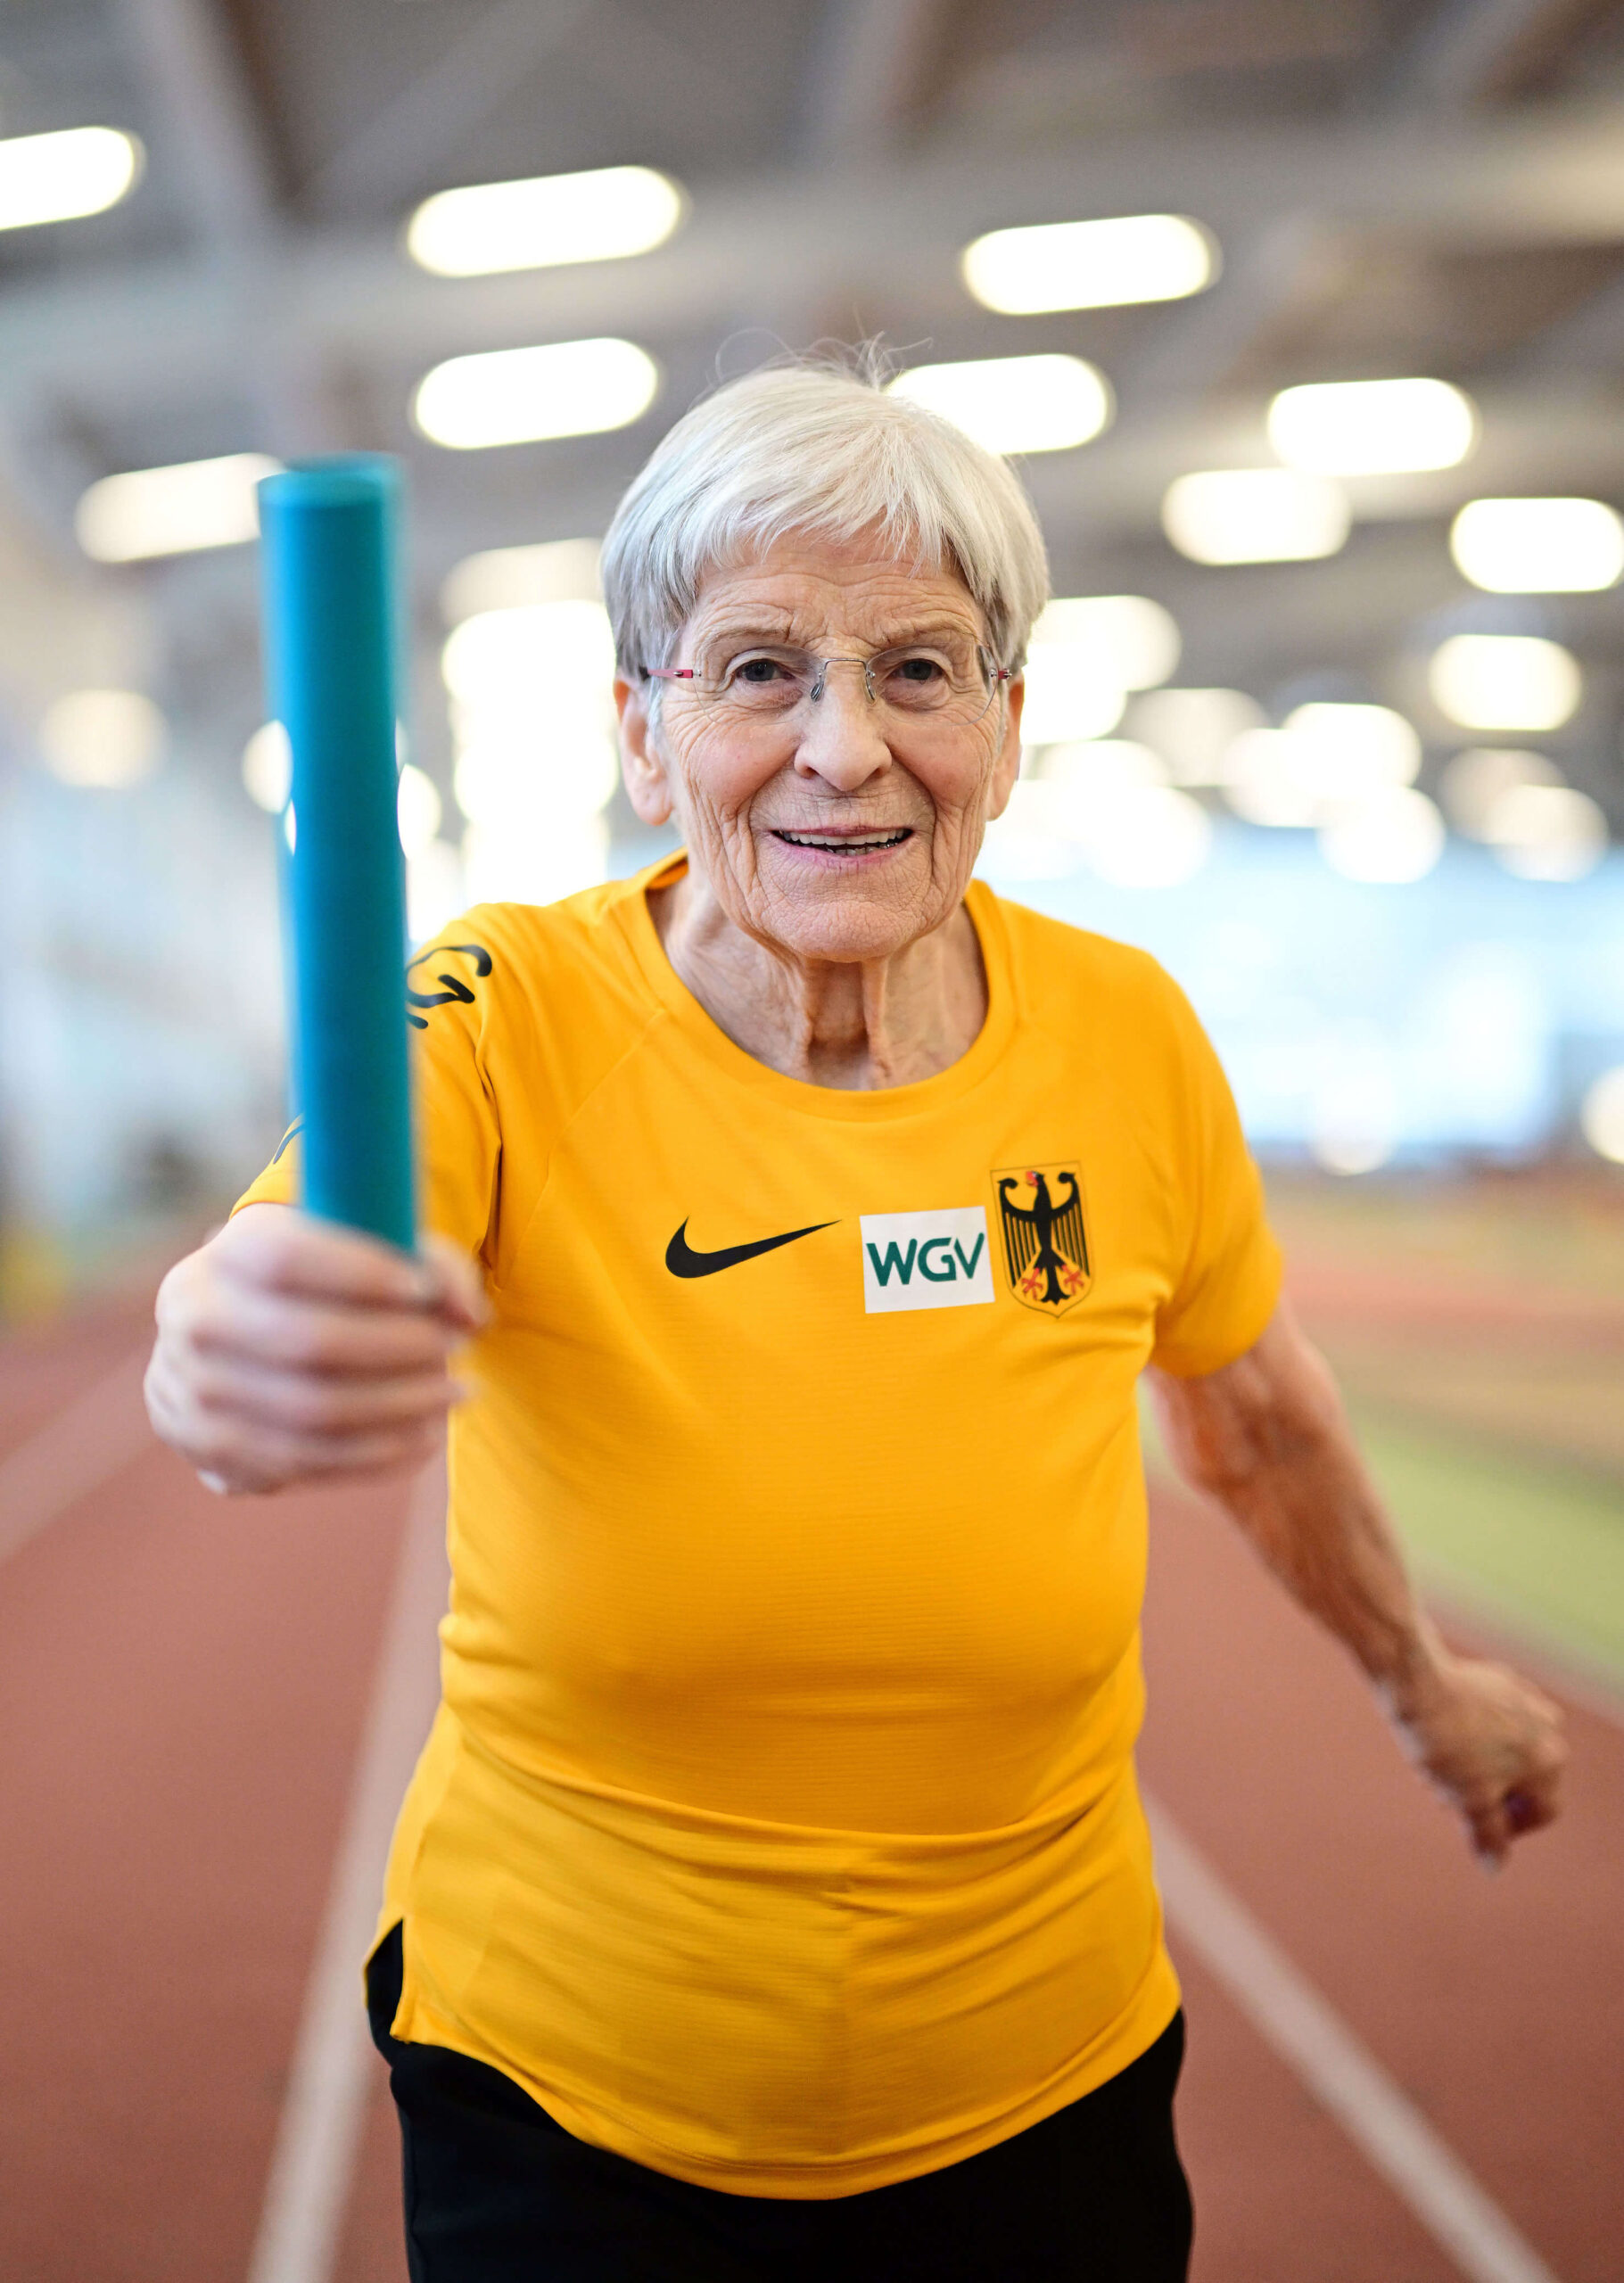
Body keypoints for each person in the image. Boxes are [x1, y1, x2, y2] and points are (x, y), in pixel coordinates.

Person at [144, 359, 1567, 2283]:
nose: (841, 748)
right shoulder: (501, 1002)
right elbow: (264, 1285)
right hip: (571, 2088)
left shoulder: (1128, 1026)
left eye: (915, 669)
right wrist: (228, 1346)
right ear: (642, 731)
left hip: (1043, 2075)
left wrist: (1424, 1680)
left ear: (1005, 721)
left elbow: (1252, 1404)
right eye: (754, 672)